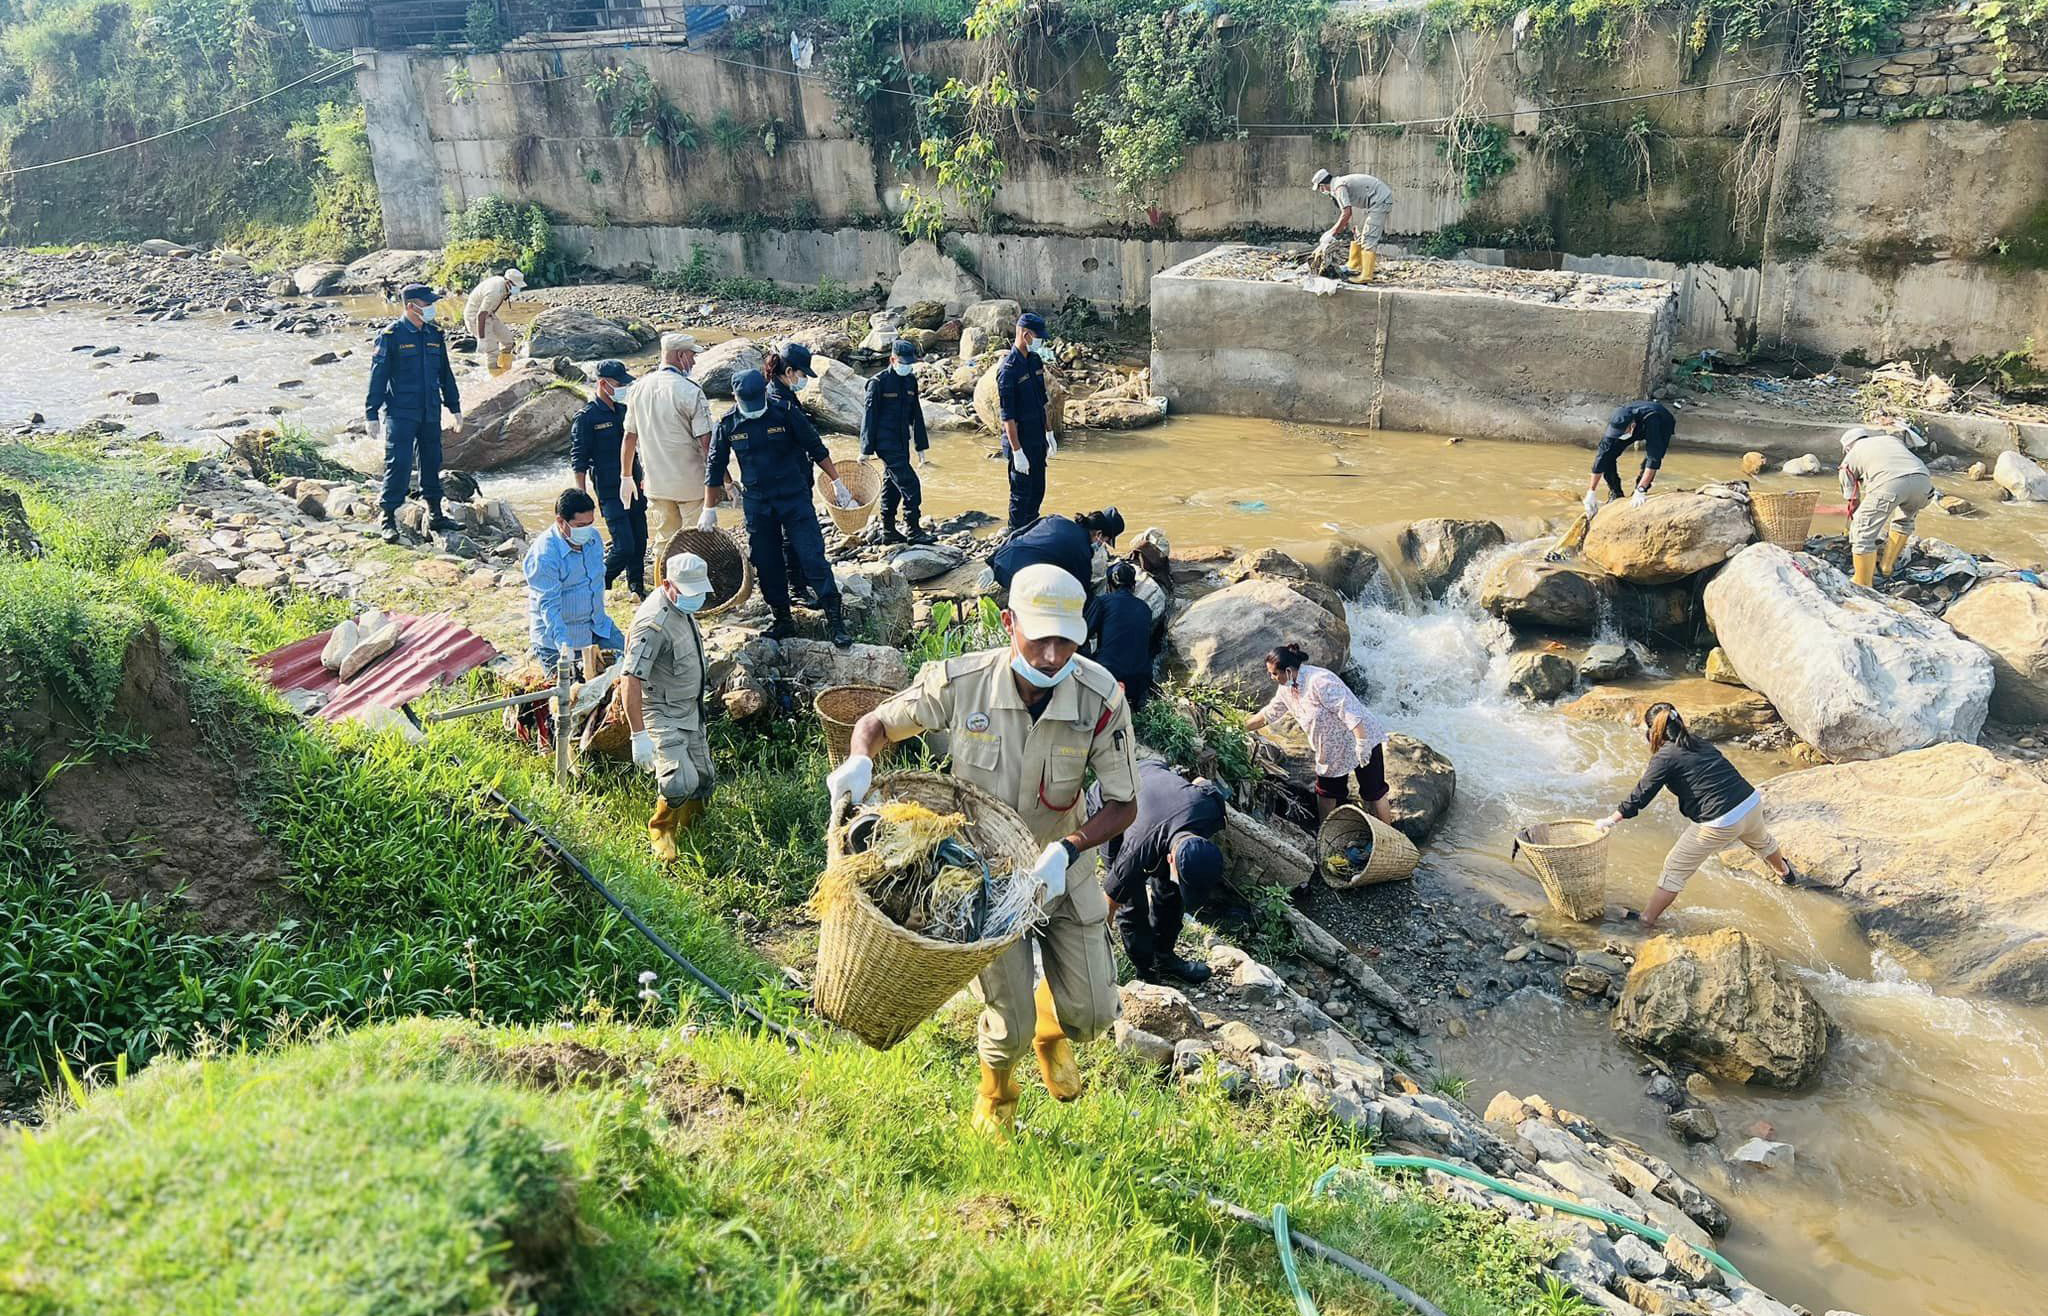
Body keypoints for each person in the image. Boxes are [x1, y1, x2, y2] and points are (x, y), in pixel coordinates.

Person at [830, 564, 1138, 1137]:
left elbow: (1123, 805)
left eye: (1065, 641)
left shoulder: (1099, 699)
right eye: (1039, 637)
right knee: (1009, 1026)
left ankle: (1054, 1023)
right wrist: (861, 760)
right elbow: (877, 723)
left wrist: (1069, 850)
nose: (1051, 656)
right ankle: (997, 1097)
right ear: (1008, 623)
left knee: (1093, 1014)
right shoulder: (960, 682)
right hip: (982, 877)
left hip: (1060, 865)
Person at [1597, 703, 1797, 930]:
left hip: (1721, 821)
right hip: (1750, 802)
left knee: (1674, 869)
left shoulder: (1665, 757)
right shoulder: (1698, 742)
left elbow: (1641, 794)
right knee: (1762, 842)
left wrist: (1611, 819)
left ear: (1653, 731)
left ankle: (1646, 921)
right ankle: (1785, 873)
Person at [701, 369, 858, 648]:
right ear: (735, 398)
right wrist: (708, 508)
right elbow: (714, 465)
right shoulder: (727, 424)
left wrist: (837, 482)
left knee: (812, 556)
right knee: (766, 561)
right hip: (758, 503)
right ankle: (783, 619)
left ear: (764, 393)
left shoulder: (784, 412)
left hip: (793, 497)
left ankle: (835, 620)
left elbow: (816, 448)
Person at [1090, 759, 1225, 985]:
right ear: (1170, 858)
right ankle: (1146, 970)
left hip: (1155, 778)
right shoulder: (1136, 853)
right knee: (1131, 902)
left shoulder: (1211, 809)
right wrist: (1096, 961)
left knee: (1172, 891)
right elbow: (1109, 906)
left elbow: (1202, 782)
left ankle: (1164, 958)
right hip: (1112, 801)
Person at [622, 551, 714, 861]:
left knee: (703, 778)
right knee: (679, 782)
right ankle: (662, 829)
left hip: (689, 707)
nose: (696, 599)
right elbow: (630, 679)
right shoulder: (653, 624)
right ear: (667, 584)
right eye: (690, 593)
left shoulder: (681, 605)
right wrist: (639, 735)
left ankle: (694, 828)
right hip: (661, 710)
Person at [1245, 642, 1392, 827]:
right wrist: (1240, 727)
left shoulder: (1320, 681)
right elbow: (1268, 714)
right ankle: (1325, 837)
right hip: (1330, 750)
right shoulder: (1286, 689)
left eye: (1274, 673)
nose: (1271, 677)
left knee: (1374, 792)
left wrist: (1362, 743)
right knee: (1326, 794)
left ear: (1289, 671)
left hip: (1359, 737)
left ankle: (1390, 838)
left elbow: (1350, 711)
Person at [365, 282, 463, 544]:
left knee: (432, 461)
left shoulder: (433, 334)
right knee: (398, 463)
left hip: (429, 410)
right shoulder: (391, 335)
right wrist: (371, 413)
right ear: (411, 306)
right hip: (401, 412)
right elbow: (378, 376)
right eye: (427, 303)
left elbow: (445, 374)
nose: (431, 307)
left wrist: (454, 407)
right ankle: (387, 516)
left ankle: (436, 514)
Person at [622, 333, 713, 584]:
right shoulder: (690, 391)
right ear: (681, 356)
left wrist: (626, 476)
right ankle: (694, 592)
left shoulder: (638, 388)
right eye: (692, 356)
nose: (693, 362)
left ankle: (664, 588)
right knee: (695, 541)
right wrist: (722, 480)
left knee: (664, 540)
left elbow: (629, 437)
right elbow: (706, 443)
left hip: (656, 483)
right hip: (690, 483)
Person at [1816, 418, 1935, 588]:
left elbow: (1852, 501)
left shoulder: (1849, 459)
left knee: (1862, 534)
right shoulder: (1890, 440)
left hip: (1890, 484)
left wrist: (1851, 526)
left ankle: (1863, 584)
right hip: (1923, 482)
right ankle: (1886, 568)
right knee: (1904, 521)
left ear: (1847, 448)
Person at [522, 488, 626, 672]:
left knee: (632, 665)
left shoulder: (593, 539)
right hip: (558, 639)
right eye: (579, 526)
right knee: (569, 695)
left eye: (590, 523)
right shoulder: (545, 555)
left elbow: (595, 582)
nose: (586, 530)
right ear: (561, 522)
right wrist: (565, 648)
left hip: (597, 627)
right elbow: (549, 607)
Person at [570, 360, 648, 598]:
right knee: (624, 545)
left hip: (633, 483)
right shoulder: (587, 417)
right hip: (609, 490)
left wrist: (644, 476)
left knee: (640, 540)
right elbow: (579, 459)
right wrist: (581, 496)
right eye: (619, 384)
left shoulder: (624, 410)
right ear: (603, 384)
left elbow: (637, 448)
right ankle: (599, 581)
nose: (623, 388)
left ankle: (637, 588)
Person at [765, 342, 825, 602]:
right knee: (792, 535)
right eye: (802, 375)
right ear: (789, 371)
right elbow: (809, 443)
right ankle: (796, 588)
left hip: (793, 476)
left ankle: (800, 581)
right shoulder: (778, 401)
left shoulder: (782, 393)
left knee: (794, 533)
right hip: (788, 480)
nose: (803, 380)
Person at [862, 338, 934, 544]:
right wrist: (865, 450)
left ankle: (888, 530)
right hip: (884, 443)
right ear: (893, 359)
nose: (907, 367)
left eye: (910, 364)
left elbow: (916, 414)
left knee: (891, 483)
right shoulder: (877, 383)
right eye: (903, 363)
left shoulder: (910, 381)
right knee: (910, 484)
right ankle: (913, 528)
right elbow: (869, 417)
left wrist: (921, 445)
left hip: (902, 440)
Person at [997, 312, 1056, 531]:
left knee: (1038, 489)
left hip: (1037, 438)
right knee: (1021, 496)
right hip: (1020, 441)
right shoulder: (1008, 369)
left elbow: (1043, 401)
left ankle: (1031, 533)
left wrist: (1049, 433)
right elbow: (1008, 416)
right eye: (1038, 337)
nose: (1040, 342)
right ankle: (1015, 537)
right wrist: (1017, 451)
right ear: (1026, 335)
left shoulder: (1034, 360)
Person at [1583, 399, 1675, 520]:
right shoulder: (1618, 422)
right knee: (1608, 457)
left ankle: (1640, 489)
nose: (1618, 435)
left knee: (1651, 457)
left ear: (1631, 427)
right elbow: (1601, 456)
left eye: (1620, 433)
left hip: (1662, 422)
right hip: (1634, 423)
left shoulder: (1652, 420)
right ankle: (1616, 493)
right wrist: (1591, 491)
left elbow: (1654, 458)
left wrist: (1641, 490)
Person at [1085, 560, 1154, 712]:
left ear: (1109, 586)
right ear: (1133, 586)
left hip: (1109, 675)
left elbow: (1083, 634)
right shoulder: (1145, 608)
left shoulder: (1103, 602)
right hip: (1140, 681)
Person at [1311, 168, 1395, 284]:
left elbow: (1346, 213)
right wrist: (1336, 229)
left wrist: (1332, 233)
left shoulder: (1338, 187)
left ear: (1323, 185)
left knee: (1369, 237)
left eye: (1320, 188)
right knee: (1358, 232)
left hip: (1380, 200)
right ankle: (1354, 265)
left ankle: (1366, 275)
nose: (1322, 191)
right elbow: (1346, 214)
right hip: (1371, 202)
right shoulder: (1338, 184)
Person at [462, 266, 525, 370]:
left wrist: (492, 320)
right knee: (492, 350)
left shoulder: (503, 284)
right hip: (474, 317)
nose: (518, 288)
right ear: (508, 282)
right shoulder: (495, 292)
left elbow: (493, 307)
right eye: (516, 285)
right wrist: (482, 339)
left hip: (488, 314)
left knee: (508, 341)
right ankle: (494, 375)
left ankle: (505, 368)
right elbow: (480, 315)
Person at [1076, 507, 1126, 591]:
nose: (1103, 543)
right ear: (1099, 534)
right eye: (1106, 540)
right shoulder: (1081, 549)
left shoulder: (1078, 531)